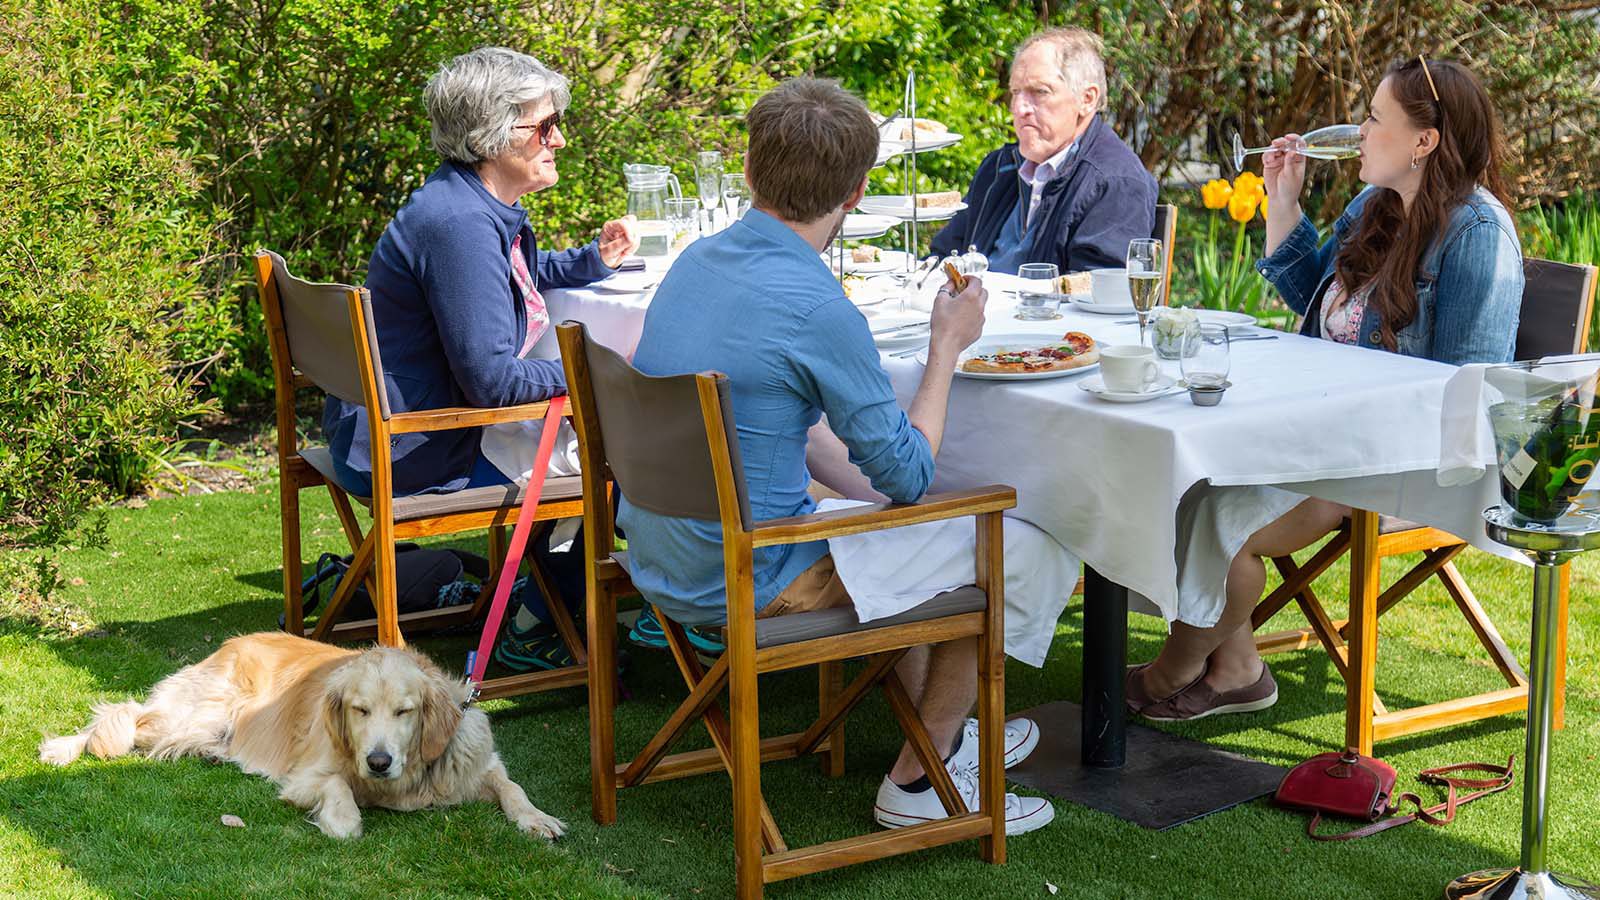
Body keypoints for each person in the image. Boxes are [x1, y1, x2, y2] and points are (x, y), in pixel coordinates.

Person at [619, 77, 1055, 834]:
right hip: (753, 575)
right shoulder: (819, 306)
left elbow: (776, 429)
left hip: (661, 553)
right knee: (1022, 544)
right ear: (856, 194)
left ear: (751, 171)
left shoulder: (695, 262)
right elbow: (911, 475)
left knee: (911, 534)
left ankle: (934, 731)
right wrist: (946, 346)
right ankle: (923, 777)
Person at [1126, 57, 1524, 721]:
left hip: (1387, 454)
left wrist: (1347, 416)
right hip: (1317, 429)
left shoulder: (1479, 234)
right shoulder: (1376, 205)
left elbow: (1467, 391)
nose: (1359, 130)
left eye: (1373, 118)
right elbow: (1308, 296)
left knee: (1225, 521)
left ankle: (1171, 673)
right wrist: (1283, 200)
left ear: (1424, 141)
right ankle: (1238, 667)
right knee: (1186, 481)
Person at [324, 46, 640, 498]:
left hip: (398, 430)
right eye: (545, 127)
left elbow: (501, 274)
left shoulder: (461, 201)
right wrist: (598, 371)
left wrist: (593, 260)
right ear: (491, 133)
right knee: (622, 457)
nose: (559, 141)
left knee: (600, 438)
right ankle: (570, 571)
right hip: (418, 449)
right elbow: (494, 382)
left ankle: (553, 570)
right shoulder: (461, 224)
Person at [929, 27, 1156, 275]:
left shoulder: (1115, 181)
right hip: (972, 311)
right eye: (1016, 92)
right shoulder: (1000, 167)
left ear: (1087, 99)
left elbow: (1094, 295)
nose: (1019, 107)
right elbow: (944, 256)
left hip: (1035, 313)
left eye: (1040, 92)